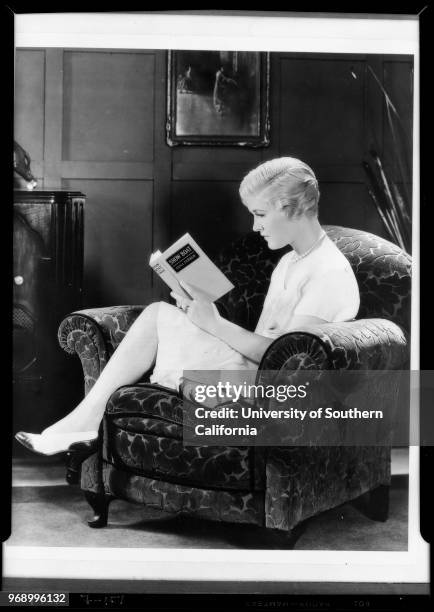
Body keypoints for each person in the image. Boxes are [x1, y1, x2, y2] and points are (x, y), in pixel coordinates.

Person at [15, 157, 360, 456]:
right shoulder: (290, 262)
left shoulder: (328, 272)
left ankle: (83, 425)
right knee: (161, 314)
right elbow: (266, 343)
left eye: (260, 214)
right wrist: (200, 311)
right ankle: (83, 423)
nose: (255, 226)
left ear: (290, 208)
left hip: (276, 391)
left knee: (167, 329)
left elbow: (285, 359)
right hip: (253, 369)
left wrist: (212, 324)